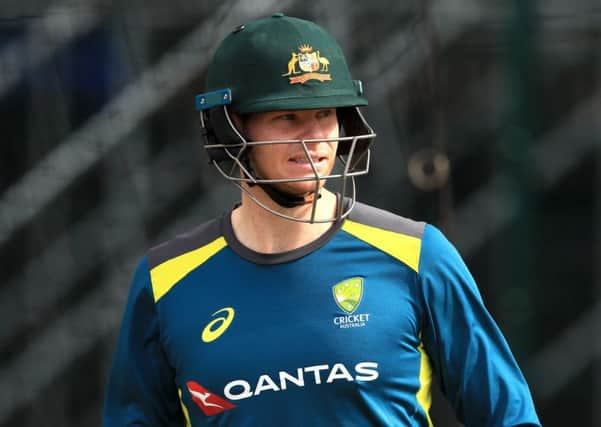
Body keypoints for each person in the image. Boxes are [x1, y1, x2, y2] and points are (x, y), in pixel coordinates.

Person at [103, 13, 541, 426]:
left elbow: (508, 416)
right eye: (286, 116)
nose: (313, 138)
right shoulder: (165, 281)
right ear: (227, 128)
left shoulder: (417, 254)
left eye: (325, 115)